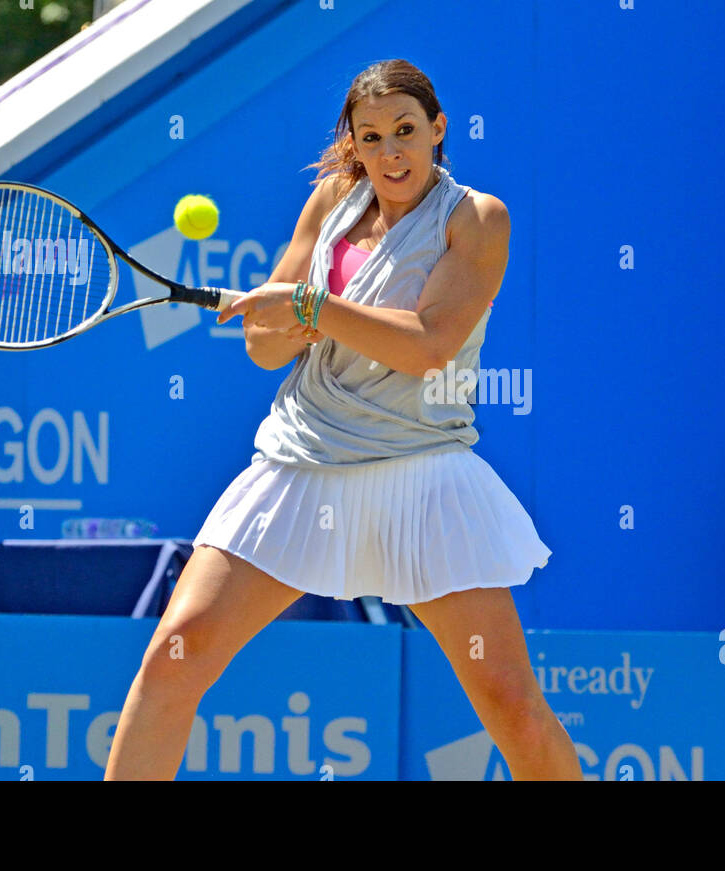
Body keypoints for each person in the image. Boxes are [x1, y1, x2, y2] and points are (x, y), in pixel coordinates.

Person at [104, 60, 582, 780]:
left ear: (437, 130)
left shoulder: (478, 218)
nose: (391, 152)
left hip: (423, 472)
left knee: (510, 703)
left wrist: (311, 308)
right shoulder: (331, 200)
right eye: (372, 137)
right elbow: (266, 349)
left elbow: (428, 346)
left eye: (406, 131)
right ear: (353, 145)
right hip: (302, 459)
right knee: (179, 649)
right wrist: (282, 317)